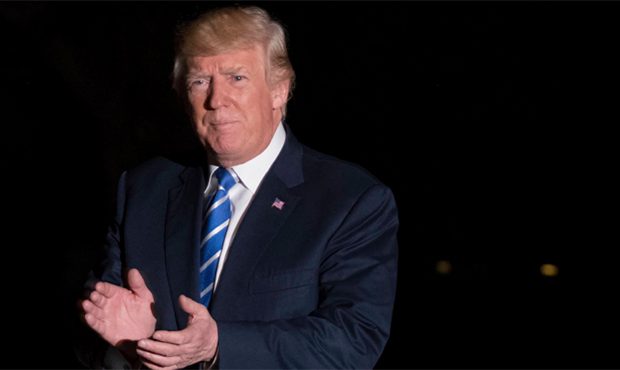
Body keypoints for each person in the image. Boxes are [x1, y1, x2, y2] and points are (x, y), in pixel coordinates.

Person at [79, 5, 399, 369]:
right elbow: (92, 319)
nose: (216, 100)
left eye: (237, 78)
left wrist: (219, 344)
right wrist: (131, 345)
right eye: (200, 81)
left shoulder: (349, 200)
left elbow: (354, 341)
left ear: (279, 90)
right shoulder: (145, 188)